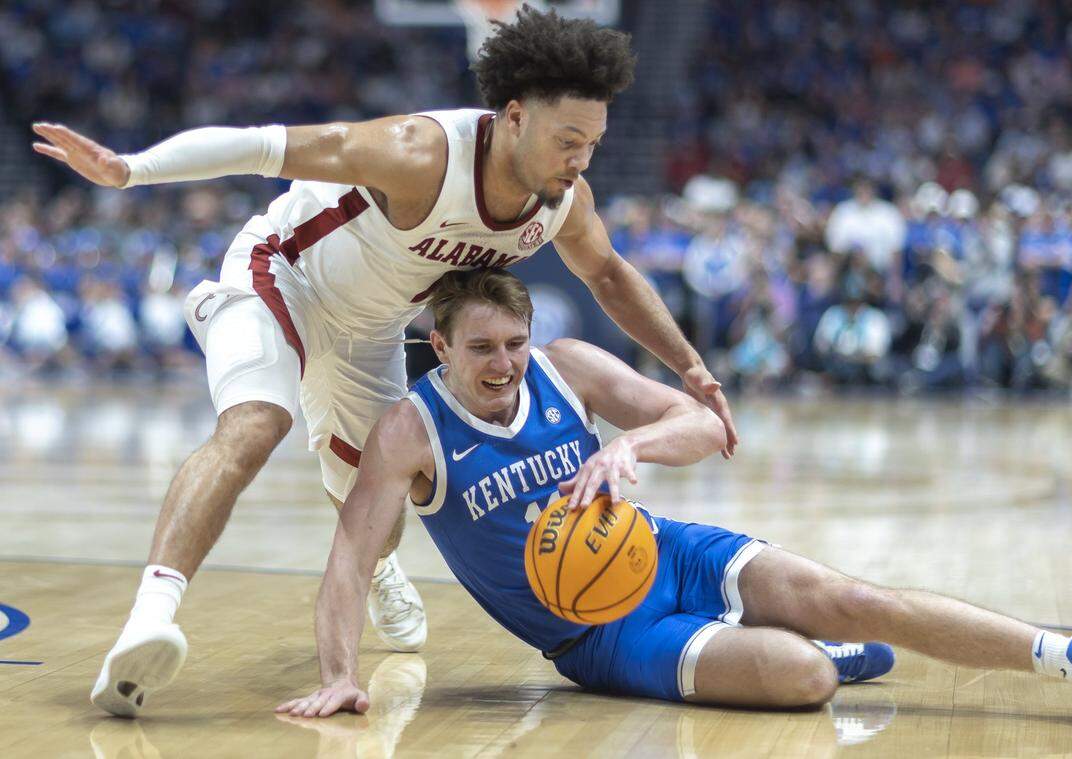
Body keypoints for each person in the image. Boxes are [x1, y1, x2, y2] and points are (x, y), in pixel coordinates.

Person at [31, 6, 737, 717]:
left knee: (381, 514)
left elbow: (610, 275)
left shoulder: (560, 200)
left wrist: (690, 367)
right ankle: (150, 618)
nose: (582, 159)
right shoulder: (418, 153)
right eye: (569, 140)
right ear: (516, 117)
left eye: (593, 142)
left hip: (373, 331)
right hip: (281, 275)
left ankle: (382, 568)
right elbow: (262, 145)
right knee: (255, 424)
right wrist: (130, 170)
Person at [279, 269, 1072, 719]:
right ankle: (821, 654)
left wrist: (629, 444)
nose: (503, 364)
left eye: (514, 342)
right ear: (440, 344)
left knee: (852, 595)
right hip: (602, 637)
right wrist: (339, 676)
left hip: (669, 549)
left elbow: (704, 424)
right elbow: (350, 560)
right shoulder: (412, 431)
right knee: (804, 677)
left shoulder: (566, 369)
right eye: (482, 349)